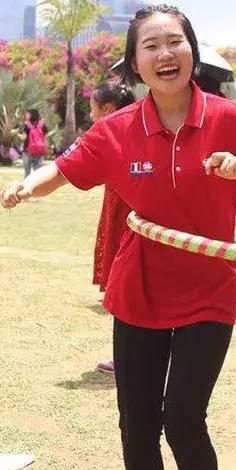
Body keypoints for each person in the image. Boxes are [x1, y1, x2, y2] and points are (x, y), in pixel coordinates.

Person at [0, 5, 236, 470]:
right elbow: (61, 169)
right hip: (140, 287)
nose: (165, 53)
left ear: (193, 52)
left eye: (175, 42)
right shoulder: (116, 129)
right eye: (151, 45)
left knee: (184, 420)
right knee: (137, 424)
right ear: (135, 64)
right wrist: (25, 187)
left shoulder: (230, 119)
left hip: (208, 287)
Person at [88, 82, 137, 375]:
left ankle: (128, 357)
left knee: (126, 283)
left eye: (94, 111)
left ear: (107, 109)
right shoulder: (132, 129)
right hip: (121, 209)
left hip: (127, 215)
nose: (92, 117)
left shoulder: (116, 132)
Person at [18, 109, 47, 177]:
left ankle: (27, 187)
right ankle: (37, 187)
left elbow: (23, 138)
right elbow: (45, 138)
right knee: (37, 174)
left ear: (31, 115)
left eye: (27, 114)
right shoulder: (42, 125)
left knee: (27, 173)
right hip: (39, 151)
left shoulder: (26, 124)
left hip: (27, 151)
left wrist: (18, 135)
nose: (26, 115)